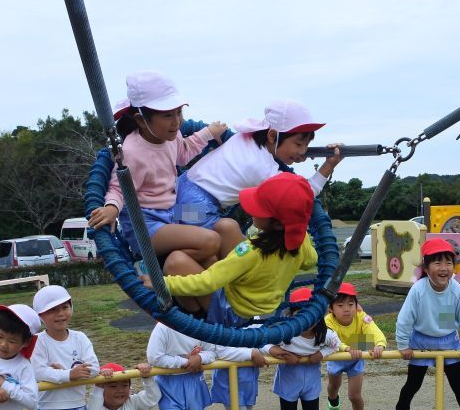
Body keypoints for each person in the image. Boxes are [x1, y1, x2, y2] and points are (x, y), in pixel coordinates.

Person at [167, 98, 342, 278]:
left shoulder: (247, 136)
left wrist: (292, 153)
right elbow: (300, 196)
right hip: (199, 207)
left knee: (218, 252)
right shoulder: (263, 168)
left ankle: (173, 260)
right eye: (298, 144)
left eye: (307, 145)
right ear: (272, 136)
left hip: (180, 191)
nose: (303, 151)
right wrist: (329, 165)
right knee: (248, 259)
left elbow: (276, 154)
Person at [87, 71, 228, 266]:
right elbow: (119, 188)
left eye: (179, 112)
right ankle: (157, 269)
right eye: (168, 115)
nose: (177, 121)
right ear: (141, 120)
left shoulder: (172, 136)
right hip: (146, 222)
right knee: (211, 241)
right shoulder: (133, 152)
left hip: (173, 211)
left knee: (213, 222)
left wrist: (207, 133)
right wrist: (111, 208)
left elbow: (183, 153)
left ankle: (185, 273)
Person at [142, 172, 317, 321]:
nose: (251, 209)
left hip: (233, 313)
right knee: (227, 225)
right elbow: (310, 261)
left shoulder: (251, 252)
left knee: (175, 261)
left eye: (259, 208)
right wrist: (300, 231)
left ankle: (195, 314)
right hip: (262, 304)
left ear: (278, 224)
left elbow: (209, 281)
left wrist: (162, 283)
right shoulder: (299, 241)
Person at [394, 239, 460, 410]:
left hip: (448, 340)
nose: (444, 268)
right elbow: (405, 319)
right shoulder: (419, 290)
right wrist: (403, 346)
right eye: (438, 263)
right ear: (426, 267)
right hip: (421, 339)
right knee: (413, 385)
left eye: (448, 263)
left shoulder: (456, 290)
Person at [267, 288, 341, 410]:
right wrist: (278, 352)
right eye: (301, 314)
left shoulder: (324, 334)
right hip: (288, 379)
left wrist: (320, 354)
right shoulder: (284, 332)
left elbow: (336, 345)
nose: (307, 321)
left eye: (311, 314)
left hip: (311, 379)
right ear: (291, 315)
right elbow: (262, 342)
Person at [324, 282, 386, 410]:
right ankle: (333, 403)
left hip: (355, 358)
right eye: (340, 305)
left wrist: (379, 345)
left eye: (351, 304)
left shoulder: (361, 317)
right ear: (331, 308)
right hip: (336, 357)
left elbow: (374, 332)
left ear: (357, 305)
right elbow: (330, 341)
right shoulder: (328, 321)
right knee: (333, 387)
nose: (346, 308)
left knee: (354, 395)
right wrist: (349, 347)